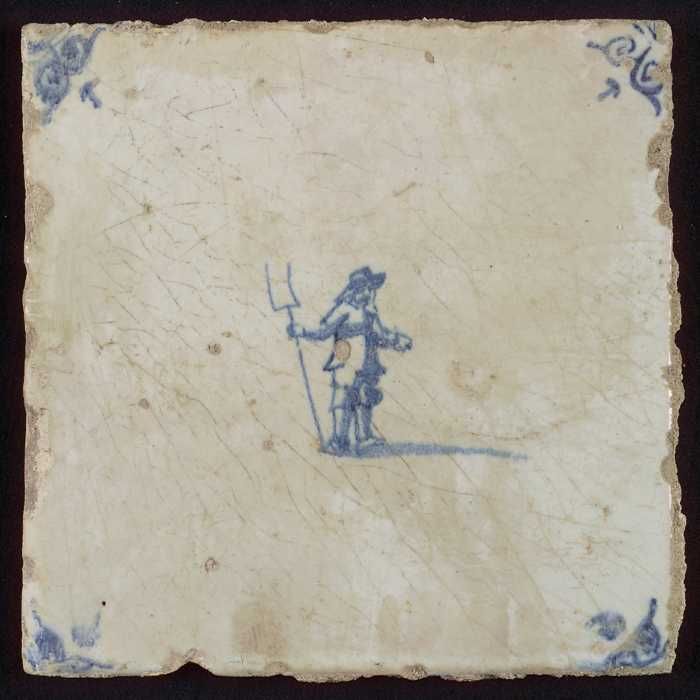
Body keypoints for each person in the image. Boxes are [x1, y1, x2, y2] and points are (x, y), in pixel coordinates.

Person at [287, 266, 412, 455]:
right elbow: (323, 332)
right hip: (346, 363)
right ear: (356, 290)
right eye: (367, 289)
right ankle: (339, 440)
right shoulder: (343, 310)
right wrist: (302, 331)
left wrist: (397, 340)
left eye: (371, 289)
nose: (370, 294)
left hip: (368, 365)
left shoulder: (370, 313)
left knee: (365, 399)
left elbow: (380, 335)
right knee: (342, 399)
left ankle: (364, 438)